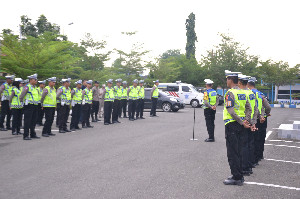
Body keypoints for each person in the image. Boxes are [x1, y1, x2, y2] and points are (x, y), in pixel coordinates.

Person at [223, 70, 252, 186]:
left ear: (230, 80)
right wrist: (246, 120)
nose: (226, 81)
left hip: (232, 124)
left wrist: (241, 122)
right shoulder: (243, 92)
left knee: (232, 152)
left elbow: (230, 110)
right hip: (241, 125)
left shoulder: (230, 93)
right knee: (239, 150)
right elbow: (249, 108)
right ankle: (238, 174)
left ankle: (237, 177)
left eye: (227, 79)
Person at [247, 77, 271, 165]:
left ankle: (254, 160)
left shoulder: (249, 93)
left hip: (255, 119)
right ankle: (260, 155)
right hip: (263, 118)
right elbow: (268, 107)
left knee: (253, 140)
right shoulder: (260, 94)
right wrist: (266, 114)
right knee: (261, 138)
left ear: (248, 85)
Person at [238, 74, 258, 176]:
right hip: (251, 121)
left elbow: (246, 109)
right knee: (250, 144)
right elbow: (255, 109)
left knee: (243, 146)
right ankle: (249, 166)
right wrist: (253, 122)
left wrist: (245, 121)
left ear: (240, 82)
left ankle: (245, 168)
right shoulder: (251, 93)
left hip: (244, 122)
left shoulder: (240, 93)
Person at [19, 74, 40, 140]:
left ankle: (32, 134)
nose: (36, 81)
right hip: (29, 105)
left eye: (36, 79)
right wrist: (24, 103)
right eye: (35, 79)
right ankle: (25, 135)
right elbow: (21, 96)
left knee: (33, 121)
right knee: (27, 121)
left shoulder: (35, 88)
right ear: (31, 80)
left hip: (35, 105)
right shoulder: (27, 87)